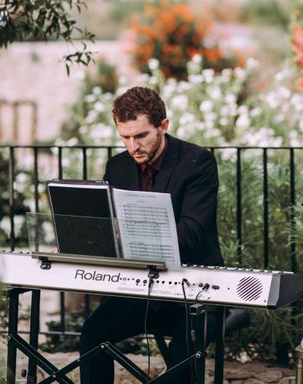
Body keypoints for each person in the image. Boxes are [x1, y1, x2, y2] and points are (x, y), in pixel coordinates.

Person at [79, 86, 224, 384]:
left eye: (141, 135)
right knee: (93, 333)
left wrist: (128, 235)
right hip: (139, 290)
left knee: (183, 357)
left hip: (196, 293)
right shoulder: (117, 166)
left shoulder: (198, 162)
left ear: (164, 126)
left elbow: (192, 233)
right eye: (125, 137)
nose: (133, 146)